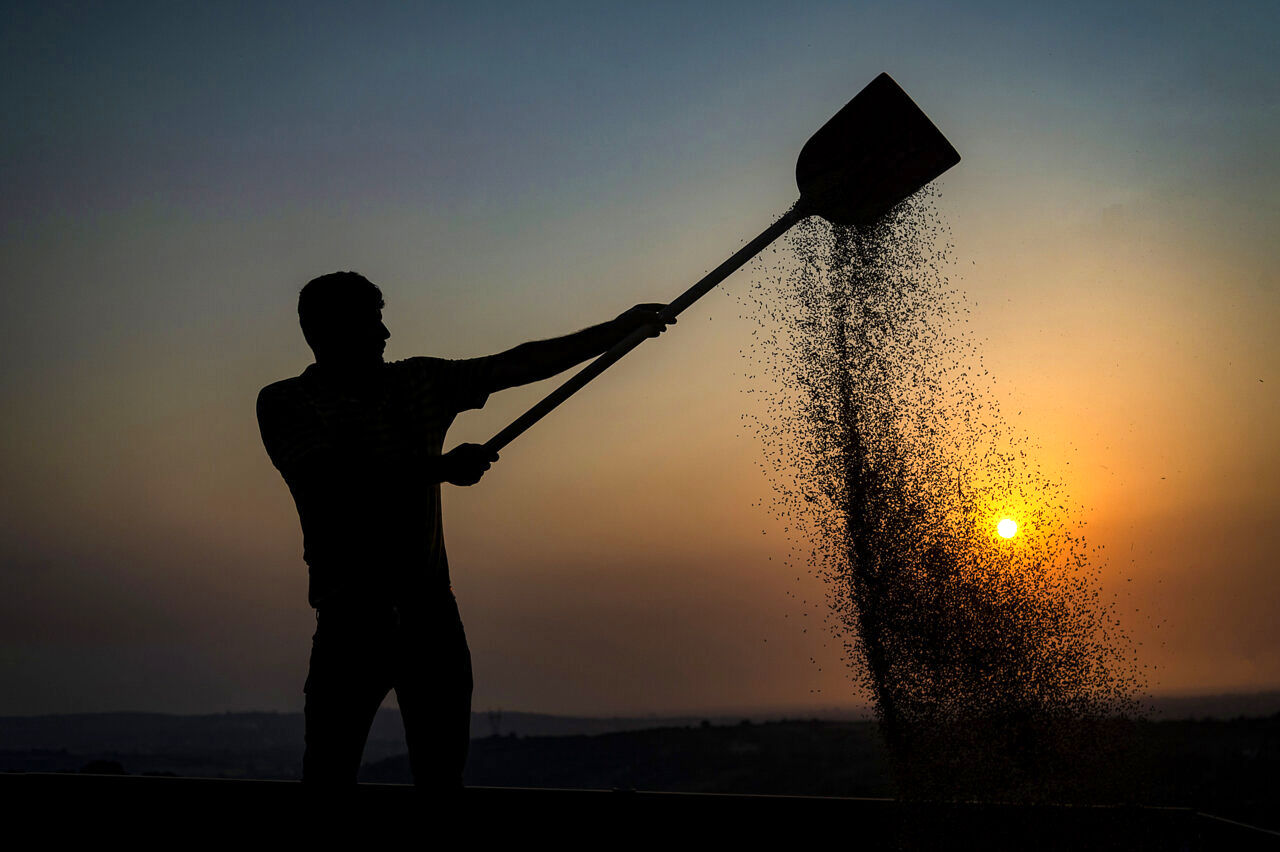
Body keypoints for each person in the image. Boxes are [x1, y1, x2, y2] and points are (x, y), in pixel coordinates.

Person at [256, 271, 671, 788]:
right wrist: (438, 469)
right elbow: (331, 481)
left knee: (440, 777)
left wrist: (615, 331)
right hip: (352, 620)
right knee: (328, 777)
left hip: (431, 616)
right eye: (372, 323)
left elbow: (516, 364)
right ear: (328, 332)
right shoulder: (286, 402)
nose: (385, 335)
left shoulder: (418, 381)